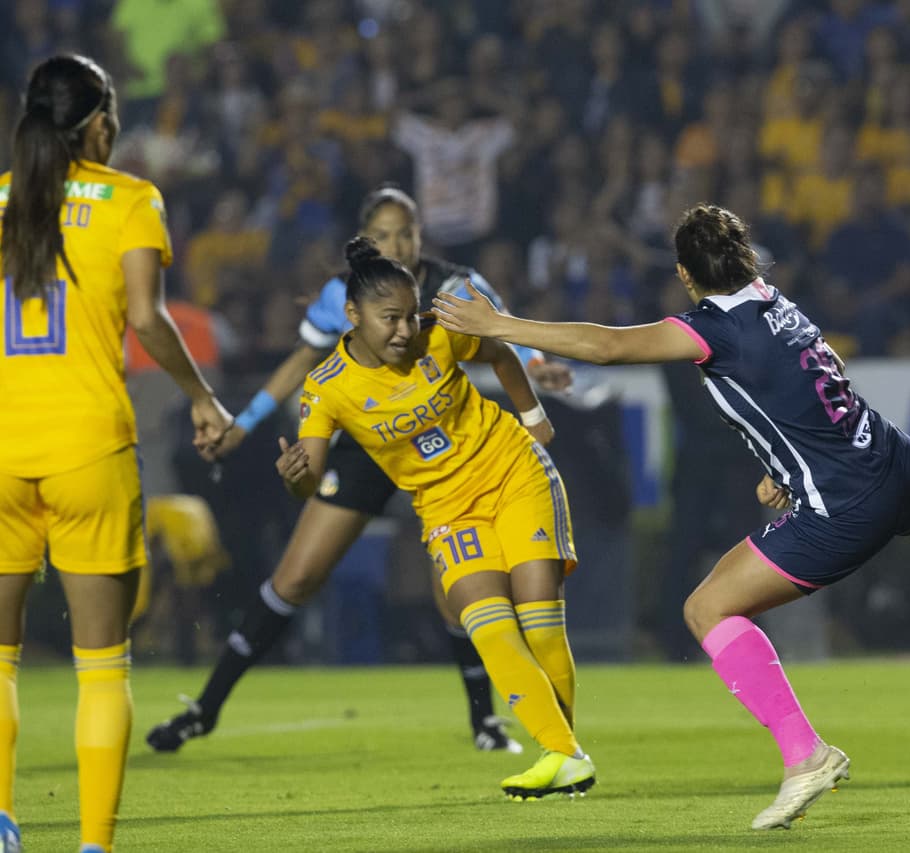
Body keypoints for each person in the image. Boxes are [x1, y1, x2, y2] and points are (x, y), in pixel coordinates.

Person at [431, 202, 910, 830]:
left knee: (707, 606)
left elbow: (603, 344)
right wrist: (781, 471)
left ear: (688, 276)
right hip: (890, 455)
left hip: (844, 498)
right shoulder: (776, 302)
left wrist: (496, 325)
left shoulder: (710, 326)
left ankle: (805, 753)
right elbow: (791, 396)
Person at [147, 186, 569, 756]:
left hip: (446, 450)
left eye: (408, 232)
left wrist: (539, 367)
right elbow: (303, 362)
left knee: (459, 592)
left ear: (421, 235)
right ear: (368, 241)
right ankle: (206, 707)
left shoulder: (451, 287)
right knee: (296, 577)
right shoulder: (343, 295)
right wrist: (241, 426)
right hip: (368, 442)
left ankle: (485, 721)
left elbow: (506, 333)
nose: (399, 242)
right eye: (387, 234)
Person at [0, 55, 232, 853]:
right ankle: (93, 844)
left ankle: (1, 827)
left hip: (1, 450)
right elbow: (148, 319)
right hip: (88, 447)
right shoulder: (132, 199)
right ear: (99, 124)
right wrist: (203, 396)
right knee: (102, 666)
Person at [279, 236, 593, 799]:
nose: (404, 331)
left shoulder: (439, 333)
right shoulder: (327, 389)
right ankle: (566, 755)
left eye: (409, 314)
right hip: (447, 508)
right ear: (352, 316)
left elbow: (498, 349)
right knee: (488, 626)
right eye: (389, 319)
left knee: (539, 618)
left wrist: (533, 415)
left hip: (512, 474)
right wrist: (296, 474)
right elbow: (312, 480)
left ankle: (562, 753)